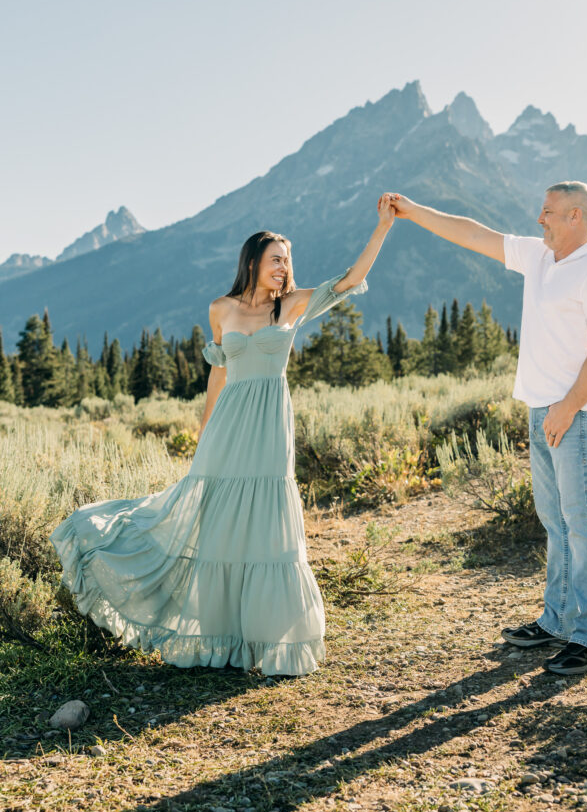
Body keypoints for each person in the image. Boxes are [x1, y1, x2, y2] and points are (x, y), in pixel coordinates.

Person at [49, 194, 396, 676]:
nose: (284, 267)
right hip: (227, 428)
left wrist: (382, 226)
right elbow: (217, 375)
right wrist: (203, 434)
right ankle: (217, 634)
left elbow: (352, 279)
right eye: (276, 259)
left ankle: (268, 639)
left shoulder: (291, 306)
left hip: (270, 429)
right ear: (253, 262)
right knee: (215, 525)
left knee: (268, 530)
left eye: (288, 261)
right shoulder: (221, 309)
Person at [383, 182, 587, 676]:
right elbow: (474, 235)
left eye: (549, 212)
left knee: (584, 526)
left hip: (575, 415)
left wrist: (566, 407)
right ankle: (558, 622)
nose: (540, 219)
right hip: (542, 410)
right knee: (556, 524)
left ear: (576, 216)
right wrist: (413, 212)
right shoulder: (540, 257)